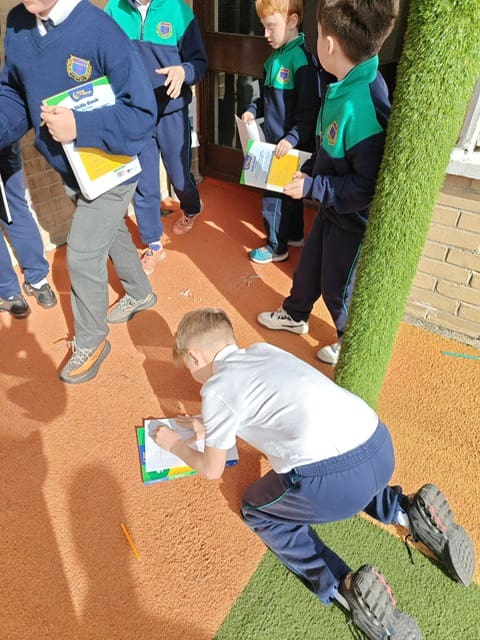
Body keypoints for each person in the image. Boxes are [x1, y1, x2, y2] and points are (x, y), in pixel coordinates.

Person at [152, 307, 475, 640]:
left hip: (336, 484)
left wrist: (174, 444)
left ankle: (344, 588)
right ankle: (406, 510)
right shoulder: (263, 351)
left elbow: (211, 468)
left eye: (187, 365)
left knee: (257, 509)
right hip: (378, 444)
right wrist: (213, 426)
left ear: (195, 355)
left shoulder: (216, 388)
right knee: (342, 460)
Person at [0, 0, 158, 383]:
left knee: (83, 255)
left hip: (113, 165)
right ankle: (140, 292)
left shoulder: (101, 29)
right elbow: (14, 93)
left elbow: (142, 112)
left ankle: (92, 340)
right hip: (70, 169)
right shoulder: (18, 22)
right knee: (112, 230)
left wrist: (81, 127)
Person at [257, 0, 396, 365]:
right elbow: (332, 147)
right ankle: (295, 313)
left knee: (338, 288)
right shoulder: (345, 82)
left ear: (329, 44)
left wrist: (313, 187)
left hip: (352, 218)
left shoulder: (362, 106)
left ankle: (350, 342)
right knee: (308, 267)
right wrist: (312, 174)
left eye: (317, 34)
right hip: (331, 205)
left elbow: (365, 188)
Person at [105, 0, 208, 275]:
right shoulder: (114, 9)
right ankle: (153, 243)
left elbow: (199, 63)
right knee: (144, 181)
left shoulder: (179, 11)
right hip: (136, 112)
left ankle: (191, 207)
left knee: (179, 174)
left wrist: (183, 71)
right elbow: (103, 56)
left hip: (172, 110)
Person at [242, 0, 319, 265]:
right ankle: (294, 235)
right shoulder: (273, 59)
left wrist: (292, 138)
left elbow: (309, 111)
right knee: (289, 193)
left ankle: (276, 247)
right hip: (276, 142)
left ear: (292, 21)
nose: (266, 34)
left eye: (271, 26)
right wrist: (253, 109)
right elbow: (264, 98)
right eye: (263, 26)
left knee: (273, 197)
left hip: (288, 145)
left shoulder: (302, 62)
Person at [0, 143, 57, 318]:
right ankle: (39, 283)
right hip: (5, 139)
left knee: (17, 207)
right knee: (17, 207)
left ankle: (10, 295)